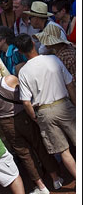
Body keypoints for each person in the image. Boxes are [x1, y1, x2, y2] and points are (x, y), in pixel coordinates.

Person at [0, 55, 61, 194]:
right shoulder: (9, 79)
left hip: (6, 123)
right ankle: (55, 179)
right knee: (40, 146)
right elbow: (26, 95)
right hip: (23, 117)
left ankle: (41, 187)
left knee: (25, 155)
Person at [15, 34, 76, 183]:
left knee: (63, 151)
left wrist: (35, 118)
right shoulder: (53, 59)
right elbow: (69, 84)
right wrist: (75, 103)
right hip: (64, 105)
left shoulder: (23, 72)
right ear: (33, 44)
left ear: (21, 52)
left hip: (44, 112)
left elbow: (26, 102)